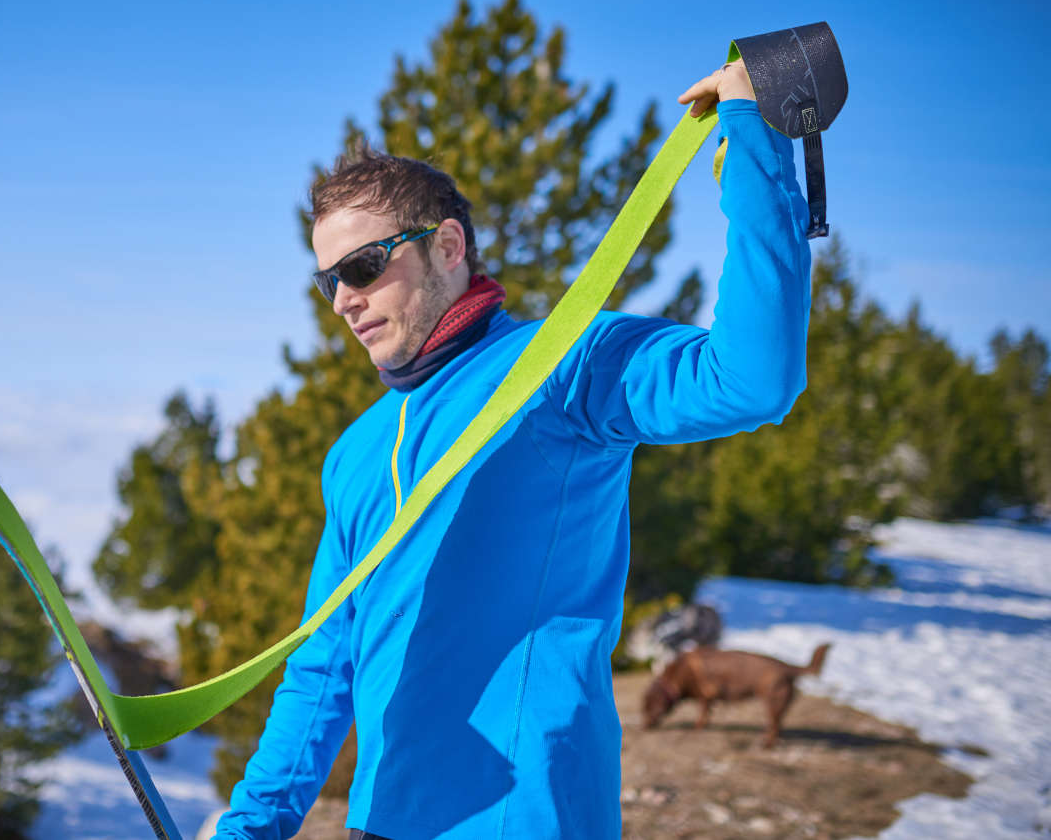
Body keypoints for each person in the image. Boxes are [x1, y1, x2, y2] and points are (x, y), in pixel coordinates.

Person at [212, 60, 811, 839]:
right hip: (381, 824)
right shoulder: (355, 453)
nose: (344, 300)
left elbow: (752, 379)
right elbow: (325, 664)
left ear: (448, 245)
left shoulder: (568, 365)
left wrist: (754, 137)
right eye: (328, 280)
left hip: (529, 819)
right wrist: (248, 829)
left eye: (363, 266)